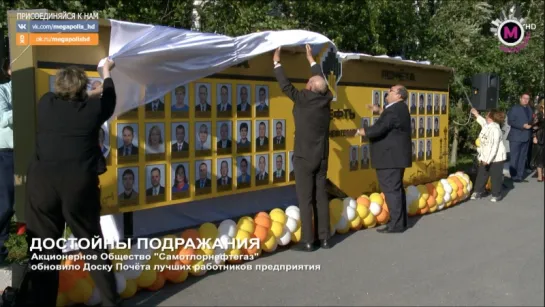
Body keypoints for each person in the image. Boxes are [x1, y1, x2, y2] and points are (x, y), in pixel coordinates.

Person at [24, 59, 121, 305]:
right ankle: (111, 301)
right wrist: (106, 72)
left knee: (43, 249)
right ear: (82, 88)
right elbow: (109, 97)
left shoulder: (45, 103)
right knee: (92, 245)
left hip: (42, 186)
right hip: (78, 187)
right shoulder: (94, 110)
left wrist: (91, 92)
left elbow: (74, 101)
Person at [273, 44, 332, 251]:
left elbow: (285, 85)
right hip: (322, 156)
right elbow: (321, 83)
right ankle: (324, 238)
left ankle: (308, 241)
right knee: (321, 197)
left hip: (304, 158)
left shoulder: (303, 98)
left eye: (308, 81)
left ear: (309, 87)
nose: (307, 81)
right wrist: (311, 60)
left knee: (305, 199)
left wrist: (277, 62)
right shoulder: (326, 98)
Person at [356, 84, 412, 233]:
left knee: (391, 191)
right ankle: (400, 222)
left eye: (391, 90)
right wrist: (380, 110)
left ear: (399, 95)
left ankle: (396, 225)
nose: (388, 92)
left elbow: (378, 129)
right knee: (396, 189)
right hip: (395, 158)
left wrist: (359, 131)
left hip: (390, 159)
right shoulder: (399, 109)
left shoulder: (394, 110)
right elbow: (391, 121)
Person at [470, 108, 507, 202]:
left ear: (491, 117)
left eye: (488, 114)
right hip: (485, 156)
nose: (486, 115)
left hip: (496, 158)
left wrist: (487, 160)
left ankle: (496, 195)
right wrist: (476, 114)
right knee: (482, 174)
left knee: (496, 177)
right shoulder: (488, 125)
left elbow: (493, 147)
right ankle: (477, 192)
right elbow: (482, 122)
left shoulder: (495, 129)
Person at [0, 58, 13, 264]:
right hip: (7, 151)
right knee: (5, 203)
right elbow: (3, 119)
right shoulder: (2, 90)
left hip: (34, 150)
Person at [507, 93, 533, 182]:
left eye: (527, 98)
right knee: (515, 157)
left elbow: (530, 121)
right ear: (520, 98)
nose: (526, 100)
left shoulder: (529, 109)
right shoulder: (514, 108)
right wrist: (522, 126)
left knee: (522, 157)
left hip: (526, 137)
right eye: (524, 98)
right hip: (516, 137)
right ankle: (513, 176)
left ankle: (520, 176)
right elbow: (510, 121)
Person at [530, 100, 544, 181]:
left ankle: (543, 174)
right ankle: (539, 175)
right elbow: (534, 126)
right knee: (540, 155)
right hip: (540, 135)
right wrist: (534, 137)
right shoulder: (539, 115)